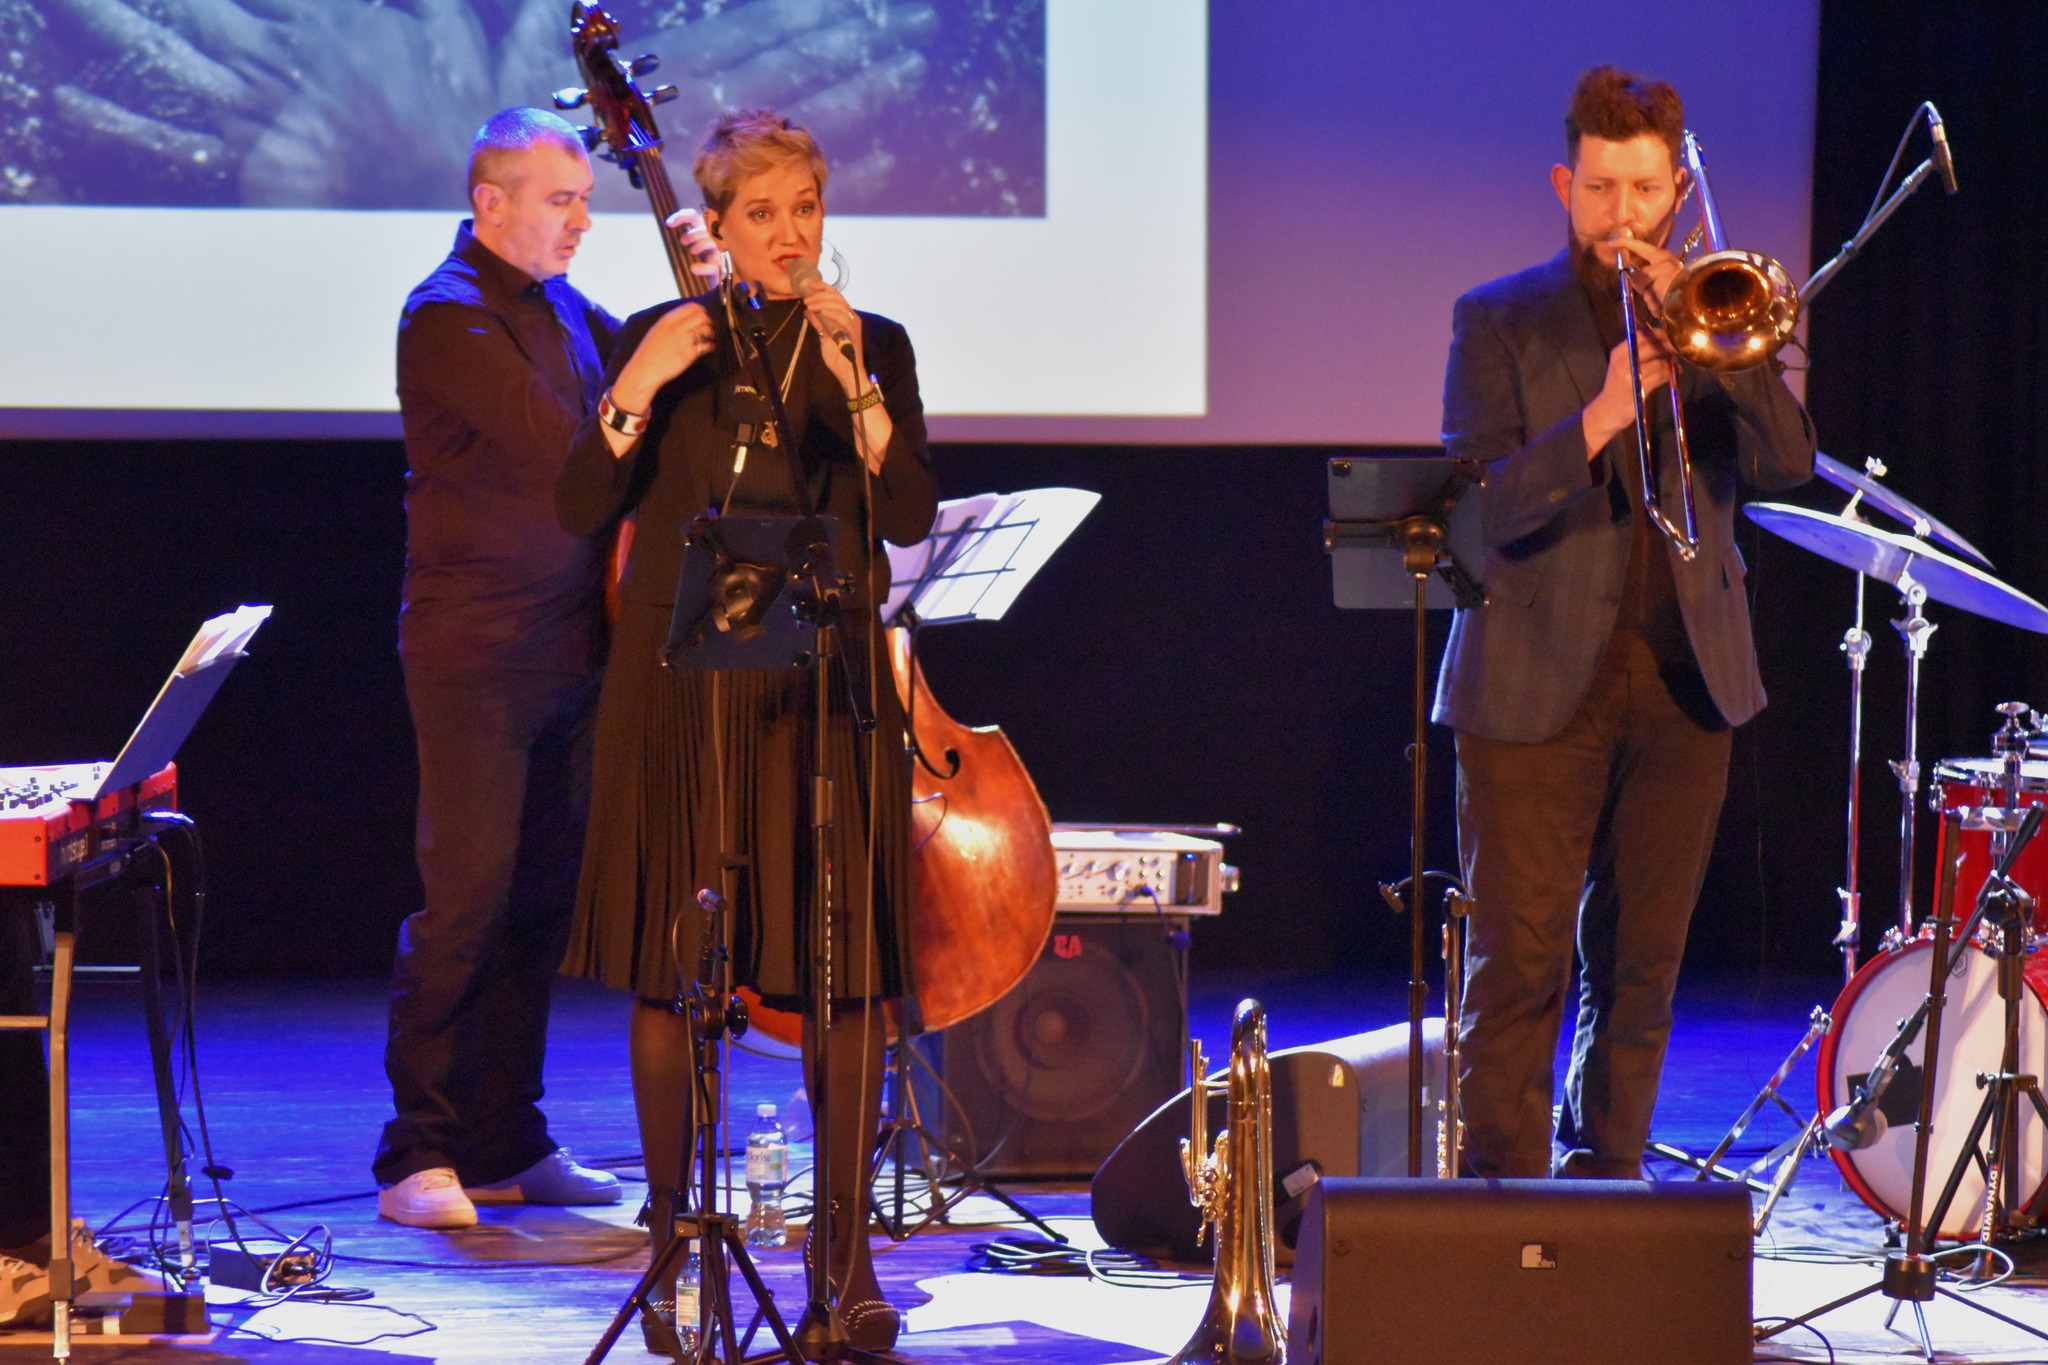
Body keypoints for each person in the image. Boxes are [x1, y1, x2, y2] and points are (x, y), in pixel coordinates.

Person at [556, 108, 936, 1351]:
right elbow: (577, 501)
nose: (788, 234)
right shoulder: (666, 339)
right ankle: (676, 1248)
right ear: (713, 227)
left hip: (819, 695)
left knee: (844, 975)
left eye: (804, 209)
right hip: (685, 697)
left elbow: (906, 510)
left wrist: (852, 376)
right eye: (760, 213)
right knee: (677, 969)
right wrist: (635, 384)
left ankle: (845, 1261)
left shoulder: (869, 344)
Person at [1435, 66, 1815, 1180]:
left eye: (1645, 190)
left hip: (1685, 679)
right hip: (1529, 678)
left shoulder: (1715, 314)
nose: (1623, 216)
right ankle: (1500, 1208)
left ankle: (1605, 1186)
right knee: (1519, 964)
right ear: (1566, 185)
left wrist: (1719, 352)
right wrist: (1603, 413)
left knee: (1641, 966)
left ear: (1677, 195)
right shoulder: (1497, 317)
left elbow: (1788, 462)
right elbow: (1476, 513)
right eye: (1600, 189)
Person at [376, 106, 676, 1227]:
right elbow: (570, 452)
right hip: (477, 654)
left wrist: (705, 291)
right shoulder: (446, 315)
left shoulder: (560, 304)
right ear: (488, 203)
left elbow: (656, 381)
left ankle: (506, 1137)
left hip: (572, 645)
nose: (581, 222)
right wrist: (646, 374)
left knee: (542, 901)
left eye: (587, 201)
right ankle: (416, 1152)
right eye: (561, 202)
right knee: (467, 900)